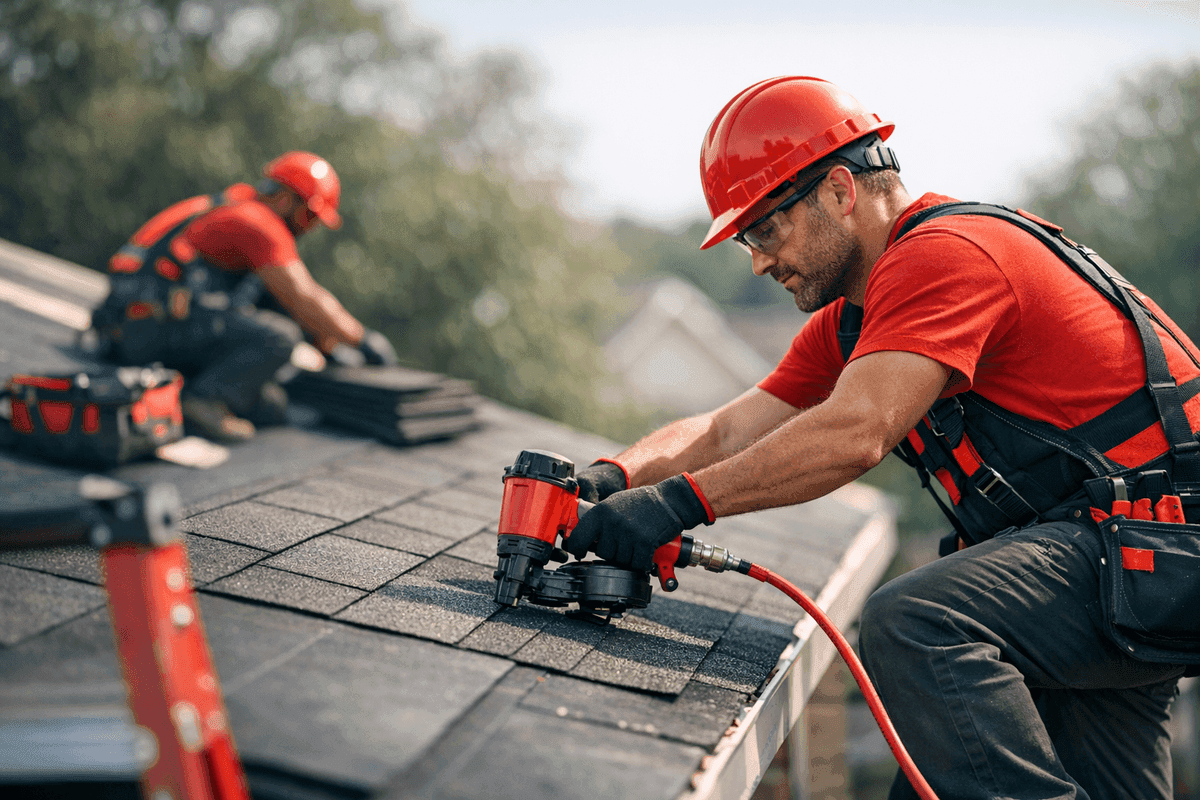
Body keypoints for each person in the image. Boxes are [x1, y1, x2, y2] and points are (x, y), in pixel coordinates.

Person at [563, 76, 1198, 799]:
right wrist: (612, 478)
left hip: (1162, 545)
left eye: (766, 229)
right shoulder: (858, 320)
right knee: (944, 766)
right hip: (1118, 564)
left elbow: (856, 432)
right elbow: (728, 426)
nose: (759, 261)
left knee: (916, 622)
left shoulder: (946, 256)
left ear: (840, 191)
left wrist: (676, 505)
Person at [88, 151, 398, 442]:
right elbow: (303, 297)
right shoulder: (257, 222)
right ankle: (204, 402)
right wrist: (363, 339)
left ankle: (206, 395)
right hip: (143, 331)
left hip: (135, 329)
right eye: (309, 216)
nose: (311, 228)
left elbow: (277, 300)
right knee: (279, 337)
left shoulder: (236, 207)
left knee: (271, 405)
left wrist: (326, 344)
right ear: (285, 199)